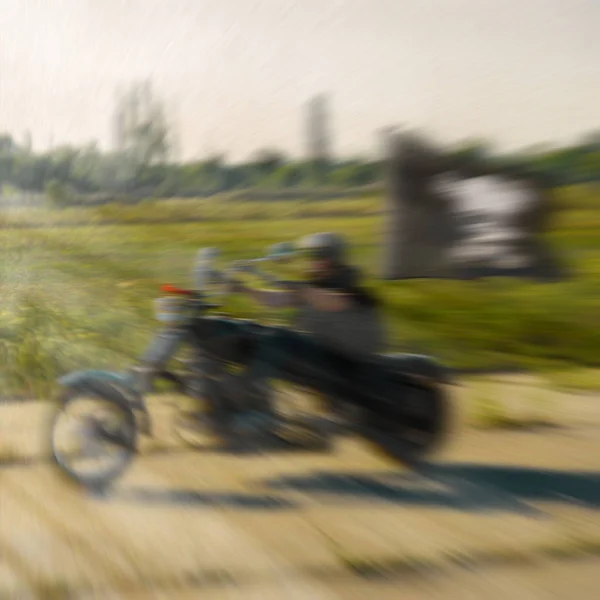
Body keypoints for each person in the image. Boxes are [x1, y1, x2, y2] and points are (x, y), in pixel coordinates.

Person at [227, 232, 390, 415]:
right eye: (310, 256)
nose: (311, 261)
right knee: (256, 333)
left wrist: (295, 287)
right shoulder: (315, 287)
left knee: (278, 338)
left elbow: (330, 302)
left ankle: (248, 401)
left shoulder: (351, 289)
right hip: (323, 358)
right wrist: (242, 289)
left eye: (315, 256)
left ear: (331, 258)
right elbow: (276, 299)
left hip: (346, 365)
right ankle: (246, 399)